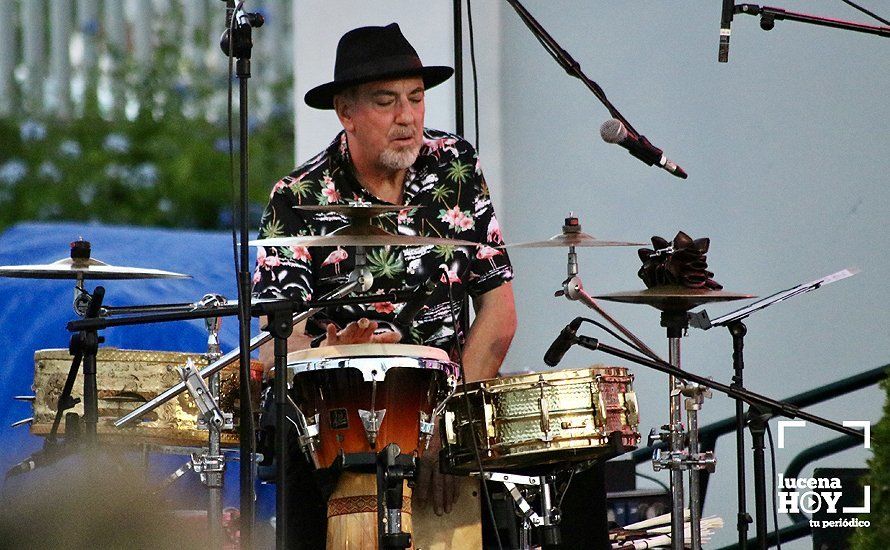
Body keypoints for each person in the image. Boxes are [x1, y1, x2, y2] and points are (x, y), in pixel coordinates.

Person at [252, 23, 516, 549]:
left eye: (416, 99)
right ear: (345, 112)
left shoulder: (454, 169)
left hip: (446, 411)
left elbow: (499, 315)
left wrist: (449, 424)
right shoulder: (297, 197)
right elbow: (278, 337)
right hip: (335, 427)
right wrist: (329, 350)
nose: (407, 117)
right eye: (386, 101)